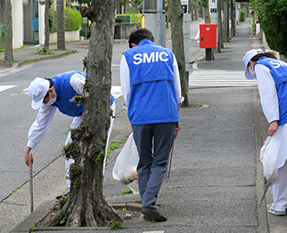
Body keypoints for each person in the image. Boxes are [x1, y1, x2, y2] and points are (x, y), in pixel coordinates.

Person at [120, 28, 183, 222]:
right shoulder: (167, 54)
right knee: (160, 162)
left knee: (144, 162)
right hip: (166, 114)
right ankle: (149, 204)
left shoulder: (128, 56)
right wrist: (176, 116)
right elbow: (176, 88)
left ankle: (147, 204)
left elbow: (127, 91)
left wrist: (132, 113)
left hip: (140, 116)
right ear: (151, 40)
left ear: (133, 44)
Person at [243, 49, 287, 216]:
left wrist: (273, 119)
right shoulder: (285, 65)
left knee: (280, 162)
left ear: (251, 64)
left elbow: (268, 94)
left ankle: (279, 206)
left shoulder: (261, 66)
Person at [24, 70, 115, 196]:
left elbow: (96, 97)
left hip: (103, 109)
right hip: (81, 113)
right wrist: (29, 149)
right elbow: (41, 123)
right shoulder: (50, 100)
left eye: (43, 101)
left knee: (97, 148)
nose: (43, 104)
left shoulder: (72, 81)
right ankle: (73, 190)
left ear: (50, 91)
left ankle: (95, 190)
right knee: (70, 148)